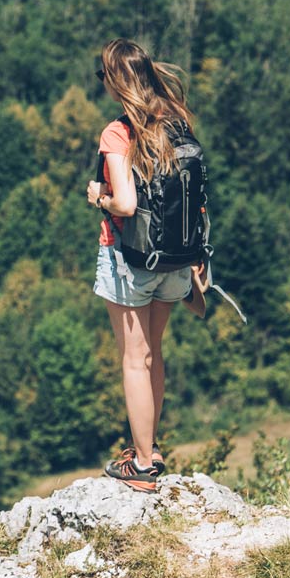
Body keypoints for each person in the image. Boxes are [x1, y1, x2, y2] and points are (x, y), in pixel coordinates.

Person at [85, 38, 204, 494]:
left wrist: (100, 197)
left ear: (116, 82)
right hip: (177, 257)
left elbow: (127, 204)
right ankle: (149, 448)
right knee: (153, 352)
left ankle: (141, 466)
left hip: (132, 258)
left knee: (134, 359)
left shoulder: (119, 132)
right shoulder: (176, 120)